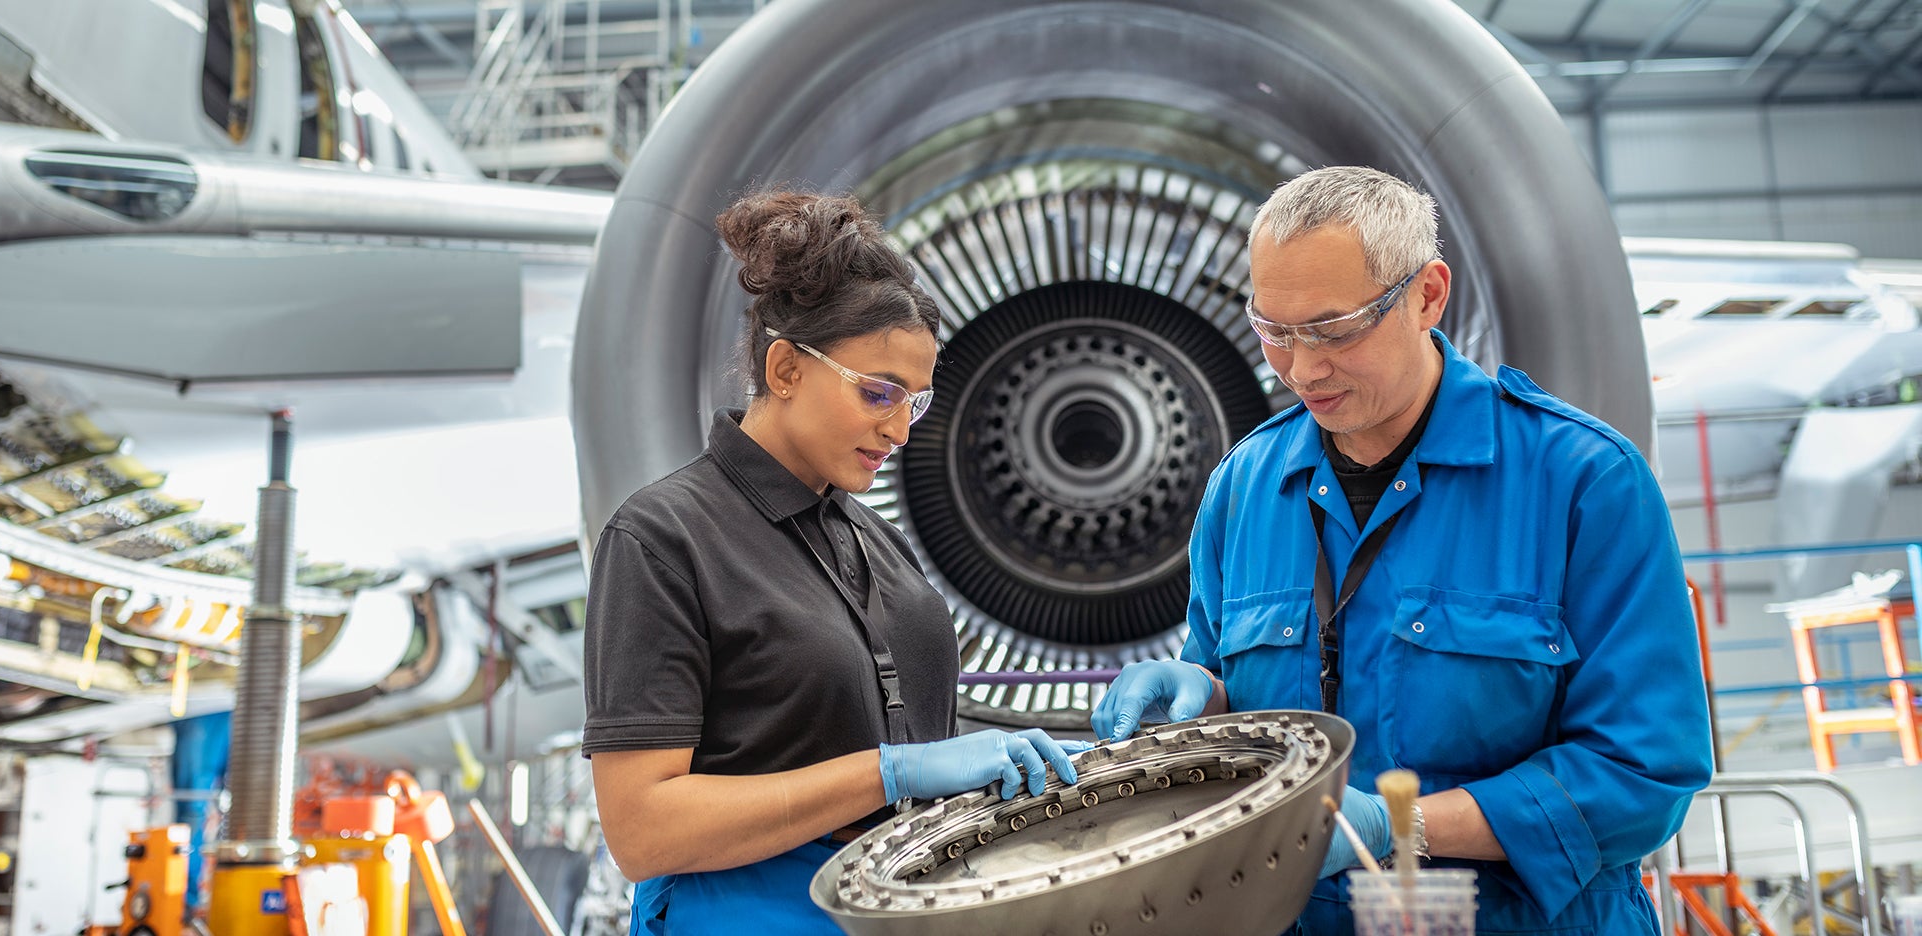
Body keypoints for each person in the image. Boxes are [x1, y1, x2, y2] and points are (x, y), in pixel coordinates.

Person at [1092, 166, 1713, 934]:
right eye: (1274, 331)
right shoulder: (1245, 488)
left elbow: (1641, 772)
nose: (1301, 368)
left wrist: (1401, 823)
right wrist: (1196, 697)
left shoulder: (1582, 482)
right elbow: (1236, 708)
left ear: (1427, 294)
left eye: (1333, 330)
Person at [584, 190, 1089, 935]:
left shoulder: (876, 544)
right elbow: (643, 830)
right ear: (785, 367)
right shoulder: (663, 539)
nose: (899, 429)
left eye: (914, 403)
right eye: (879, 393)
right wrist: (889, 774)